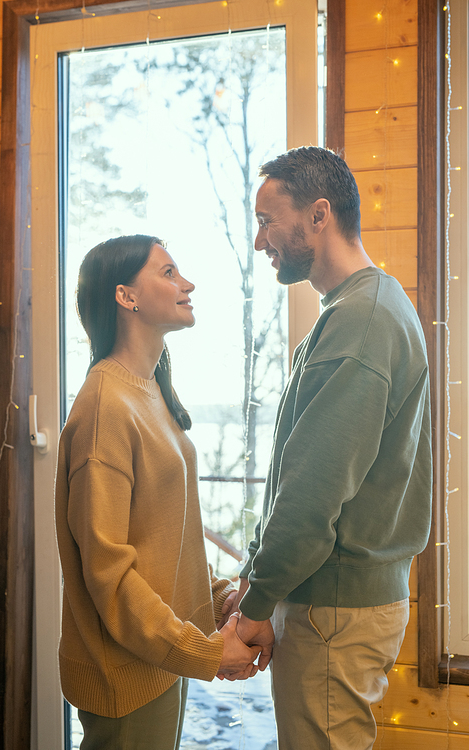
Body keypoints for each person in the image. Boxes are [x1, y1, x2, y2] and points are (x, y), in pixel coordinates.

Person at [226, 147, 432, 750]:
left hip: (333, 607)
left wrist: (258, 603)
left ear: (319, 215)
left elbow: (313, 493)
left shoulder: (361, 321)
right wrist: (256, 581)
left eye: (268, 219)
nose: (261, 240)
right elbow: (301, 470)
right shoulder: (356, 310)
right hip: (334, 601)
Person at [54, 234, 261, 750]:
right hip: (124, 674)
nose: (186, 284)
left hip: (157, 659)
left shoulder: (148, 392)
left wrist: (215, 598)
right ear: (126, 297)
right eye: (168, 273)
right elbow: (110, 575)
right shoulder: (106, 406)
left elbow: (167, 536)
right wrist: (207, 653)